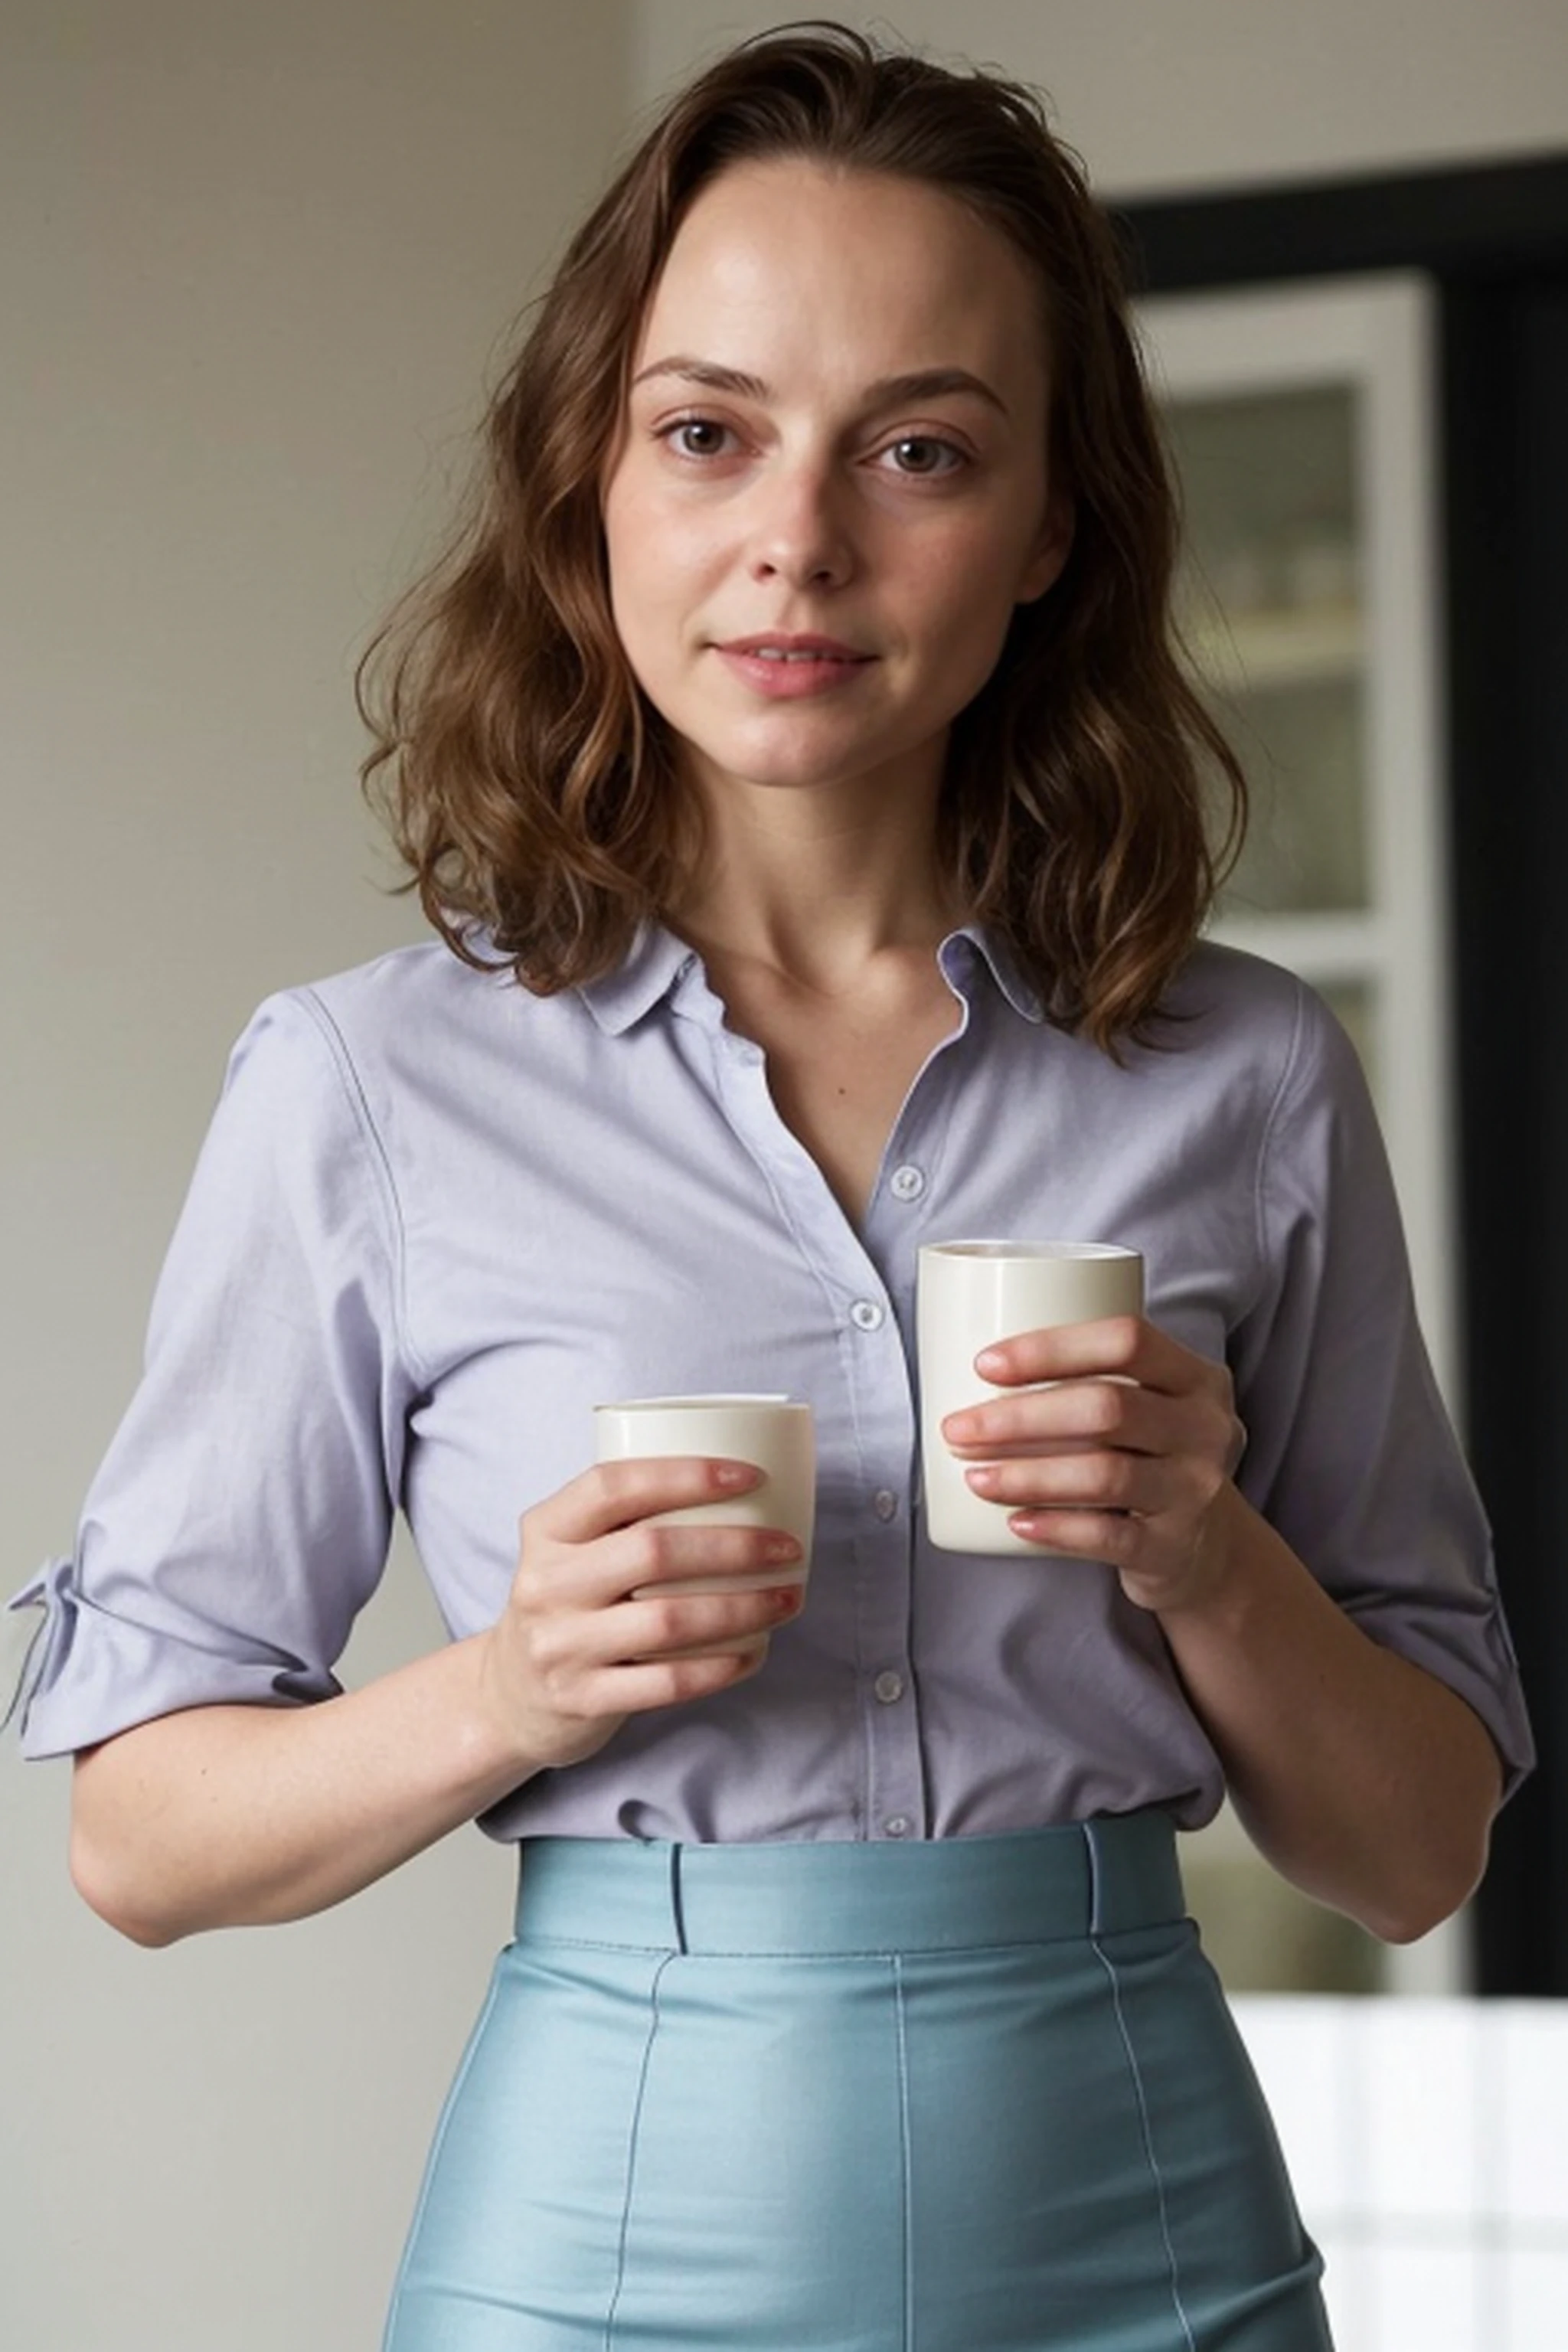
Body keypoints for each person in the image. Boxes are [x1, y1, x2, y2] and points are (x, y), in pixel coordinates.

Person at [8, 23, 1532, 2351]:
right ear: (587, 489)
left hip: (1152, 2226)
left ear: (1049, 528)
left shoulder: (1242, 1072)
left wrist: (1205, 1553)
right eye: (706, 433)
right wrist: (516, 1686)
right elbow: (135, 1840)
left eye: (918, 449)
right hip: (597, 2249)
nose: (797, 541)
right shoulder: (370, 1086)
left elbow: (1418, 1852)